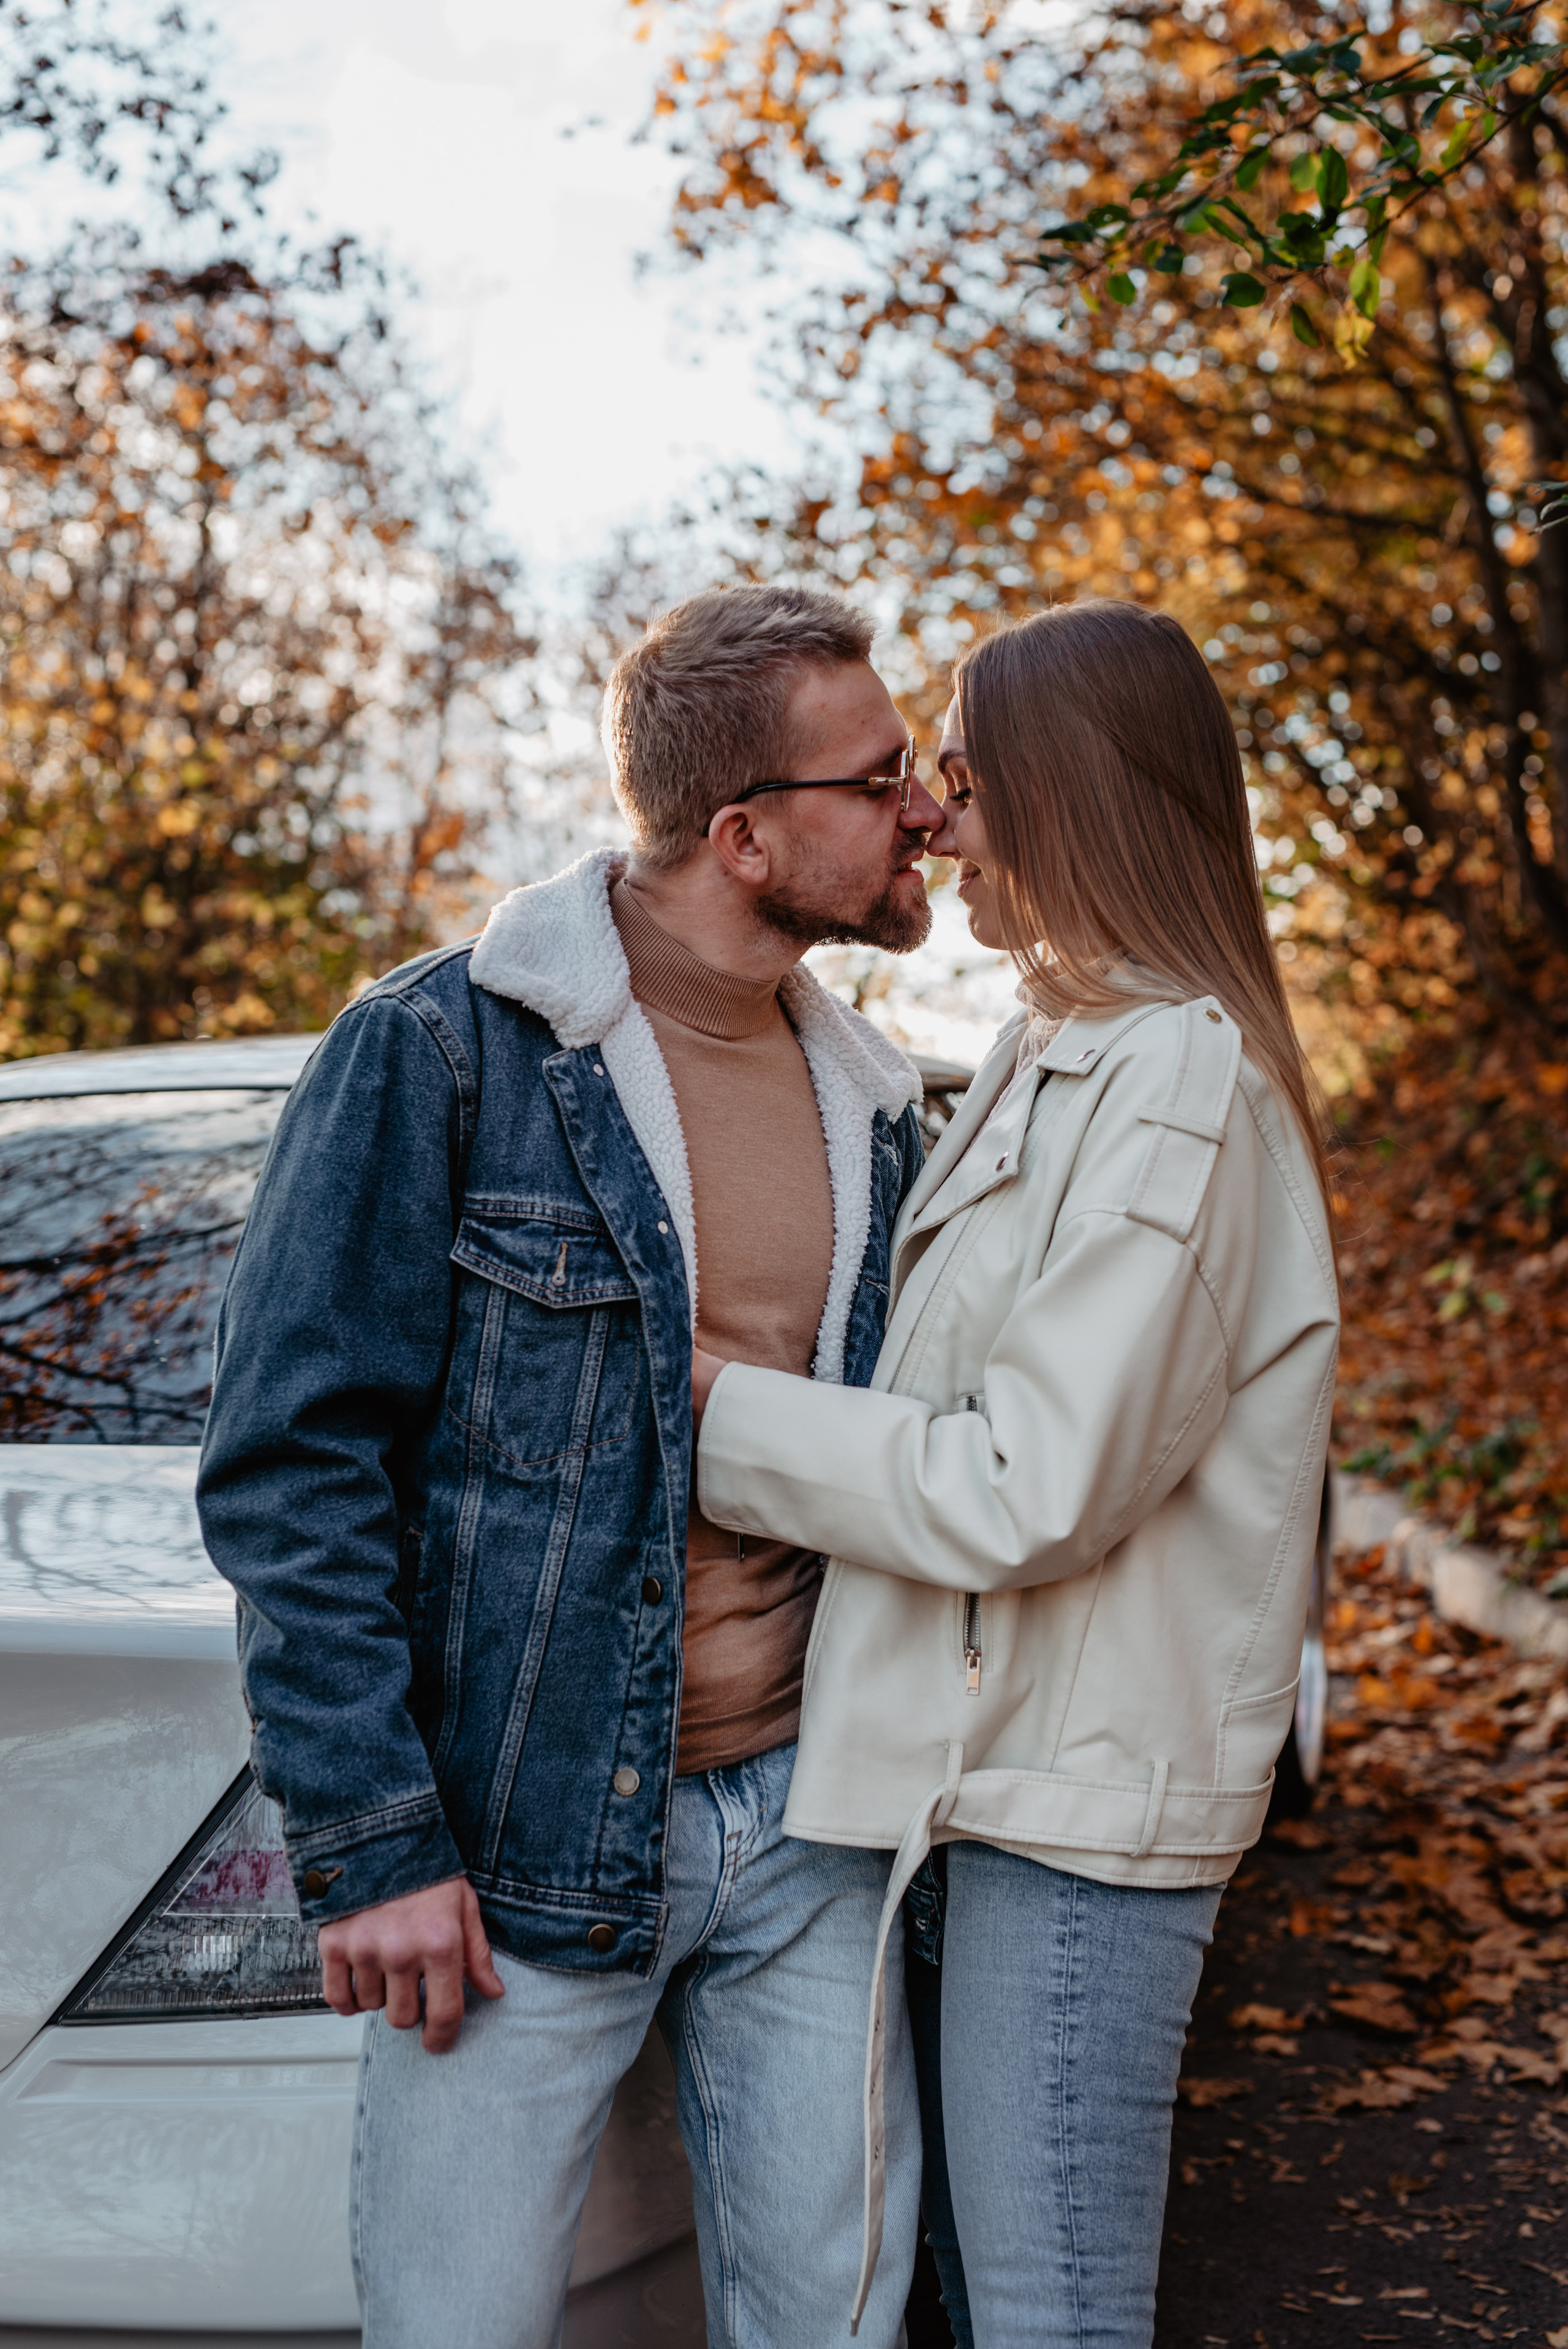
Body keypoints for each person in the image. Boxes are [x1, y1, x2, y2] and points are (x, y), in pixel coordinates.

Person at [196, 583, 944, 2349]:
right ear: (747, 833)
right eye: (884, 773)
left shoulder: (876, 1095)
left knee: (837, 2327)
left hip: (814, 1824)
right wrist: (373, 1839)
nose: (926, 804)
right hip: (521, 1844)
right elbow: (295, 1463)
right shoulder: (446, 1049)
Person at [691, 598, 1341, 2349]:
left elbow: (1029, 1480)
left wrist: (712, 1417)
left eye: (962, 774)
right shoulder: (1064, 1053)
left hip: (1084, 1822)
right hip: (1009, 1785)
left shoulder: (1180, 1080)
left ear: (1068, 790)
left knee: (1053, 2313)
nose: (933, 819)